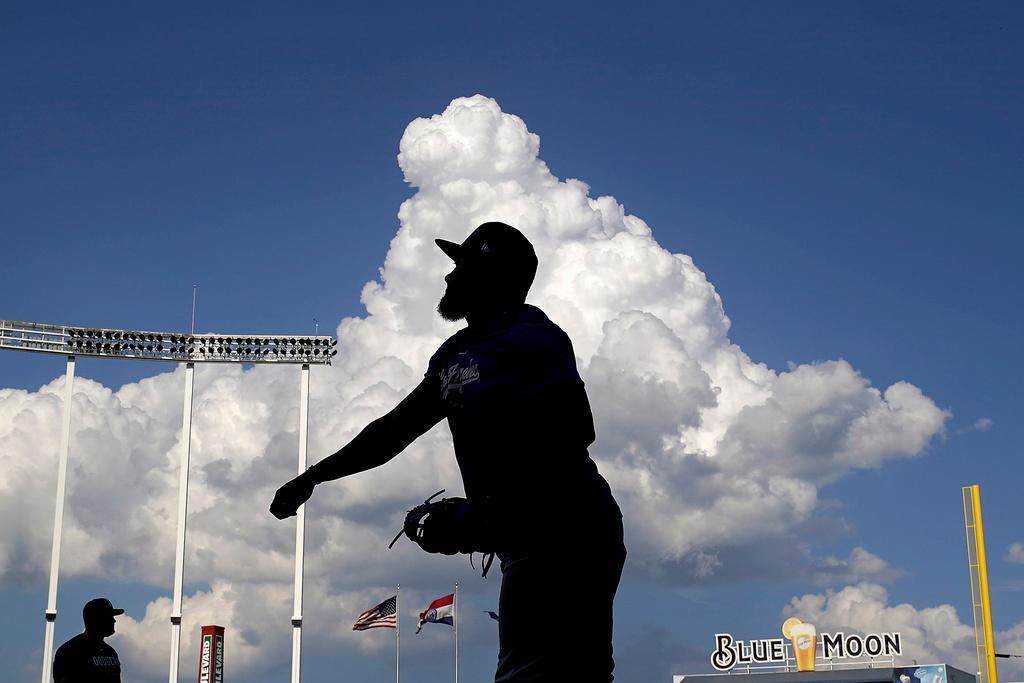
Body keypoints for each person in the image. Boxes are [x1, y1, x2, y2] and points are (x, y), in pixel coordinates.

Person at [271, 221, 626, 682]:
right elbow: (393, 430)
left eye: (460, 266)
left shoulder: (533, 337)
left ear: (490, 276)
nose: (448, 277)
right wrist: (313, 476)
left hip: (572, 534)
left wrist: (490, 518)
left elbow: (576, 430)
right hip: (528, 543)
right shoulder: (457, 351)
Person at [52, 597, 124, 683]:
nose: (114, 620)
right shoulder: (70, 651)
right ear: (96, 620)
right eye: (108, 617)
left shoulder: (110, 652)